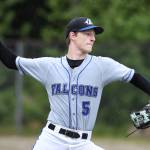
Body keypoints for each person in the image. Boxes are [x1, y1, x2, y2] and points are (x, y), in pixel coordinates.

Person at [0, 17, 150, 150]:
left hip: (82, 143)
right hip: (52, 139)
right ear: (73, 35)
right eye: (88, 34)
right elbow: (11, 61)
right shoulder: (49, 66)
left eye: (94, 35)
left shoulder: (103, 66)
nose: (93, 38)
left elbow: (133, 77)